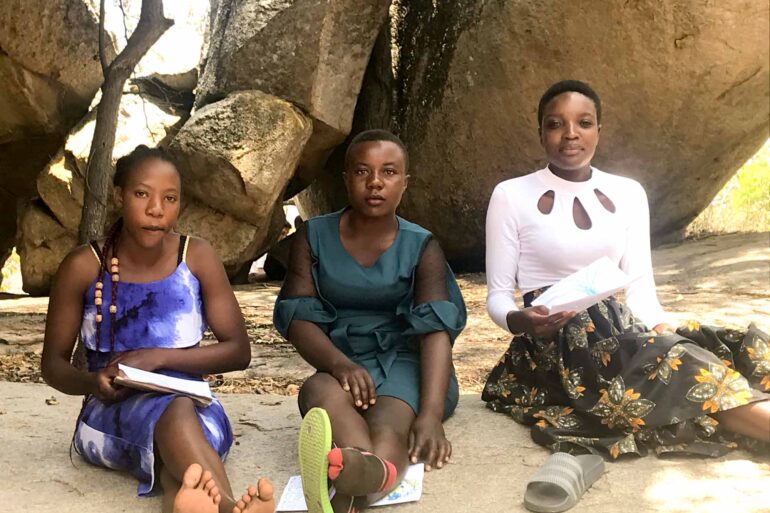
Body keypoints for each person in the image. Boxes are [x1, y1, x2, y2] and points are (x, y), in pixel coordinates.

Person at [482, 80, 770, 459]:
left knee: (716, 347)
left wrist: (664, 330)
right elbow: (498, 295)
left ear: (599, 130)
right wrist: (520, 321)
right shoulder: (510, 195)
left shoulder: (629, 192)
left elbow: (640, 289)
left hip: (620, 329)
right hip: (558, 347)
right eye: (555, 124)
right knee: (683, 370)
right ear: (540, 133)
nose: (571, 134)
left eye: (584, 122)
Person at [41, 145, 275, 513]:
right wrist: (91, 381)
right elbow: (52, 365)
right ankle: (230, 507)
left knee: (180, 459)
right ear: (119, 196)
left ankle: (187, 502)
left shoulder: (196, 256)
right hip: (111, 416)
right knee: (175, 414)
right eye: (142, 194)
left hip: (198, 408)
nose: (156, 209)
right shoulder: (83, 266)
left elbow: (238, 351)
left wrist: (157, 357)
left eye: (170, 198)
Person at [273, 129, 466, 512]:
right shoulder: (313, 236)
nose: (375, 182)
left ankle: (365, 477)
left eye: (389, 172)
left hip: (407, 362)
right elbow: (297, 318)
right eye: (362, 171)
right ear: (346, 180)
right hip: (340, 360)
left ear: (404, 183)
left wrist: (430, 415)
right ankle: (356, 469)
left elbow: (435, 331)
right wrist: (339, 365)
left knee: (389, 423)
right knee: (316, 392)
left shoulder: (421, 245)